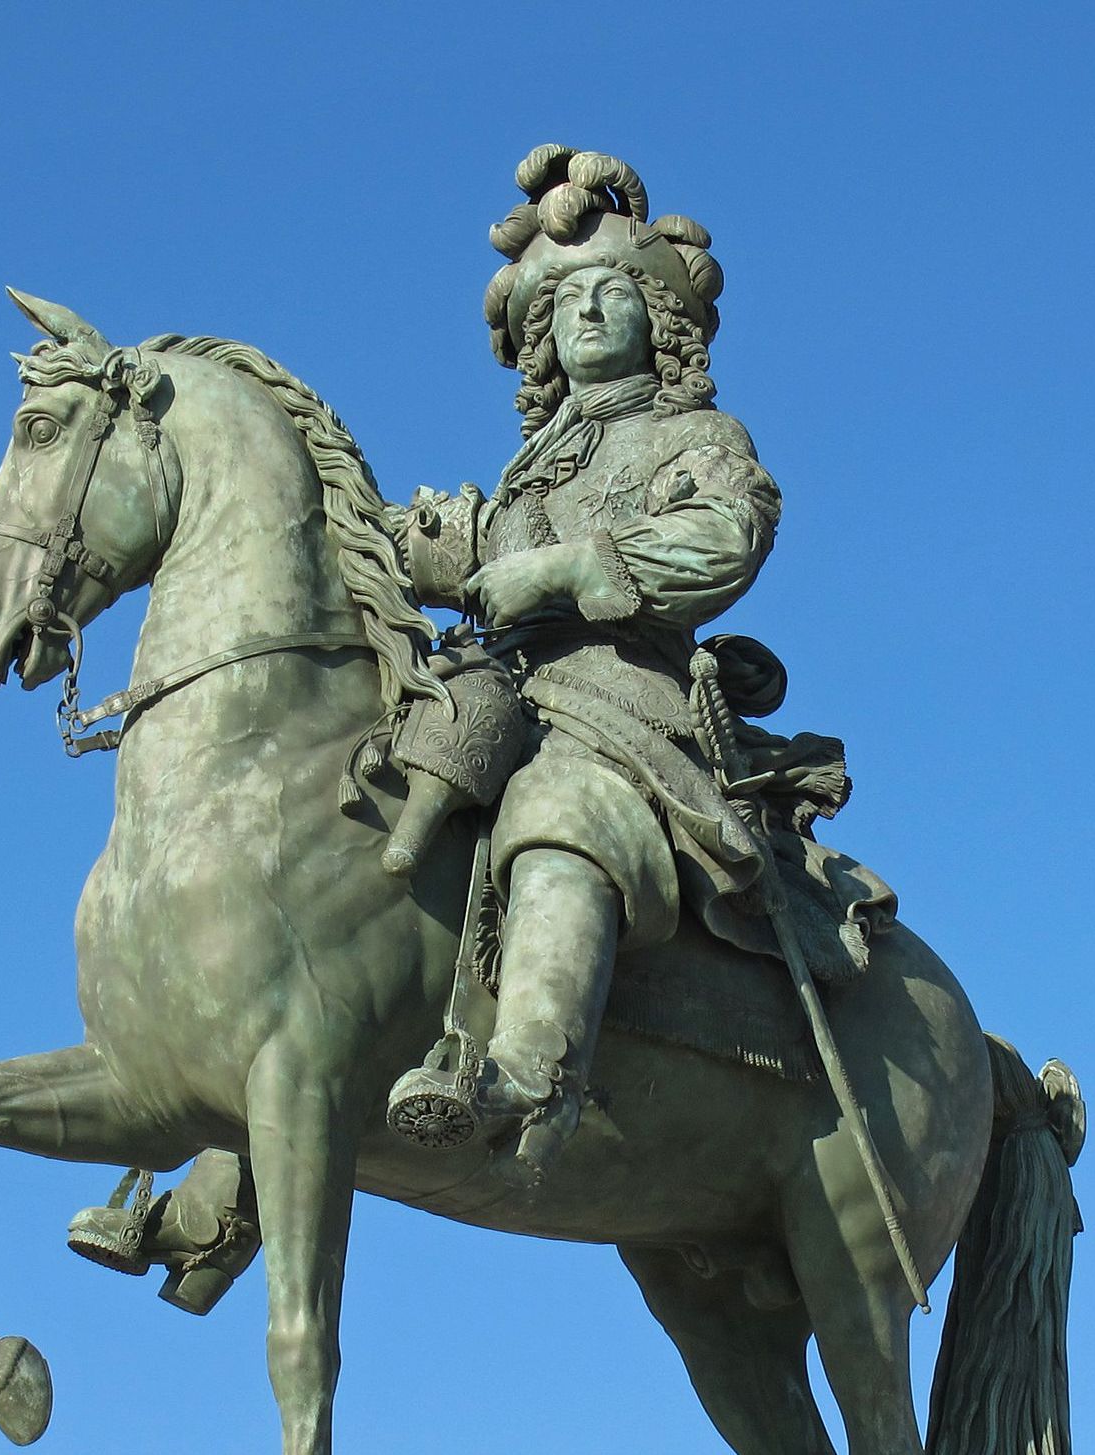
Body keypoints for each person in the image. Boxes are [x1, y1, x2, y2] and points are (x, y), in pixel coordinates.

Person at [385, 145, 795, 1182]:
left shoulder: (696, 433)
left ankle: (528, 1074)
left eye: (612, 291)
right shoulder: (530, 468)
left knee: (560, 803)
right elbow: (473, 559)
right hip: (498, 693)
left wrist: (570, 570)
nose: (587, 312)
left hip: (618, 703)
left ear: (657, 321)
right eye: (564, 301)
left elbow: (727, 535)